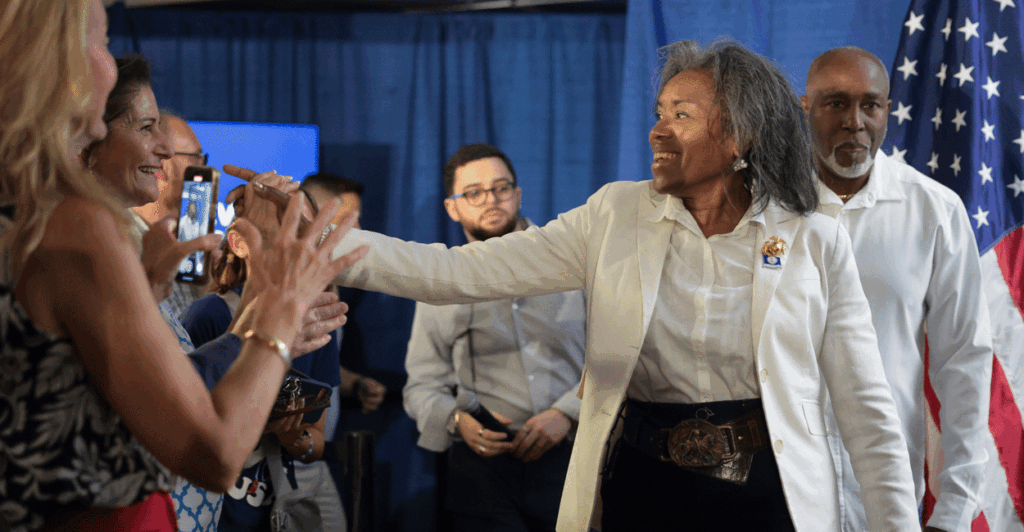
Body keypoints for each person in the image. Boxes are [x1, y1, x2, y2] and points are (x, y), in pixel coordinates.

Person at [288, 39, 918, 531]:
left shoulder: (814, 237)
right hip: (643, 490)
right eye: (659, 113)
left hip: (769, 495)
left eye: (683, 115)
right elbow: (453, 272)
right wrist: (310, 239)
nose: (658, 130)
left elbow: (868, 413)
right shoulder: (615, 215)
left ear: (739, 135)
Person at [0, 1, 366, 529]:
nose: (169, 157)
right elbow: (214, 453)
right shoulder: (73, 224)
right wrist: (279, 310)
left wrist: (143, 290)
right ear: (56, 63)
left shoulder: (28, 211)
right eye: (101, 43)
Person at [802, 47, 993, 532]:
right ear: (805, 107)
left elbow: (964, 364)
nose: (855, 122)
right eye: (836, 104)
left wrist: (954, 510)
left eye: (870, 105)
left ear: (888, 109)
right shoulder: (763, 208)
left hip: (886, 500)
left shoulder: (935, 212)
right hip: (781, 494)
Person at [402, 143, 586, 531]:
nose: (491, 200)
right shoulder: (440, 284)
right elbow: (420, 387)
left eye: (501, 188)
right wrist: (456, 421)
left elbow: (617, 359)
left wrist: (568, 413)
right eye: (473, 192)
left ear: (518, 195)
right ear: (452, 207)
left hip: (576, 458)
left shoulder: (574, 262)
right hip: (483, 474)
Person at [181, 178, 350, 532]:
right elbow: (179, 417)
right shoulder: (209, 315)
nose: (291, 246)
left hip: (276, 512)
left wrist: (291, 436)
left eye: (299, 230)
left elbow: (313, 446)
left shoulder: (317, 324)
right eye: (276, 229)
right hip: (211, 510)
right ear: (238, 243)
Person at [134, 111, 209, 318]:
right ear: (161, 163)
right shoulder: (126, 245)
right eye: (196, 157)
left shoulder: (186, 245)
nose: (205, 168)